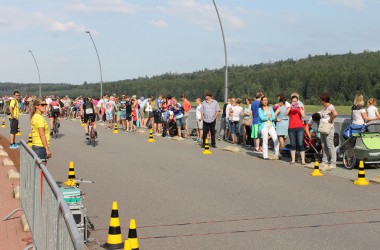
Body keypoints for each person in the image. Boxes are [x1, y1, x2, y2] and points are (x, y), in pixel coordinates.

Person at [317, 93, 338, 170]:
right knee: (323, 145)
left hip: (329, 128)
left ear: (323, 100)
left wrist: (330, 119)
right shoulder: (324, 108)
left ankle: (333, 163)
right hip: (323, 128)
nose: (320, 101)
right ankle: (324, 161)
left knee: (330, 145)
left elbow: (335, 114)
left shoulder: (330, 107)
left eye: (321, 99)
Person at [285, 95, 306, 164]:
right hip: (291, 127)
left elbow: (303, 116)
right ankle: (293, 159)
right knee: (293, 144)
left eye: (295, 101)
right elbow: (285, 114)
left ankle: (303, 160)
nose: (294, 103)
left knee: (300, 143)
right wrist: (290, 107)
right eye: (293, 101)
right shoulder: (289, 108)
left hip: (299, 127)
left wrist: (300, 108)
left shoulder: (300, 107)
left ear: (298, 101)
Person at [30, 98, 51, 165]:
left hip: (36, 145)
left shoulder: (35, 116)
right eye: (42, 105)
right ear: (36, 106)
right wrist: (47, 149)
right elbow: (42, 135)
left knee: (38, 170)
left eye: (45, 104)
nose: (44, 106)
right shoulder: (39, 118)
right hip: (40, 146)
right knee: (41, 170)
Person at [258, 96, 279, 160]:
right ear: (261, 101)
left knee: (276, 139)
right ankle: (265, 155)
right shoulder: (260, 109)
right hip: (264, 126)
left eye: (266, 100)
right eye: (264, 100)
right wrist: (268, 117)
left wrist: (268, 117)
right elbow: (262, 118)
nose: (265, 101)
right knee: (265, 140)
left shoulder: (270, 108)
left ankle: (277, 153)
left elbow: (273, 117)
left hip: (271, 125)